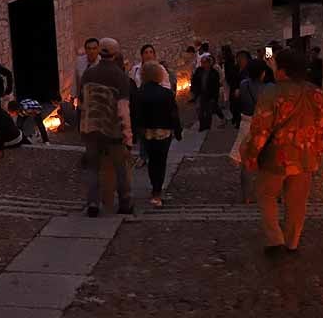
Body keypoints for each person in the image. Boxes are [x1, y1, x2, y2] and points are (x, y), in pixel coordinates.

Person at [242, 49, 323, 256]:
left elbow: (260, 130)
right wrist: (313, 150)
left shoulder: (272, 93)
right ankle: (292, 242)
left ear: (282, 70)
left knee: (266, 195)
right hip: (305, 159)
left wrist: (251, 155)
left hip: (275, 158)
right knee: (297, 202)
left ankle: (275, 240)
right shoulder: (317, 93)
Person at [79, 37, 134, 217]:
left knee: (93, 167)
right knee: (120, 168)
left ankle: (93, 204)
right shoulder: (120, 77)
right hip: (113, 130)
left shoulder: (88, 74)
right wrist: (128, 136)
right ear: (115, 53)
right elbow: (123, 109)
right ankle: (125, 203)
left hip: (91, 128)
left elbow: (82, 101)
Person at [135, 61, 183, 207]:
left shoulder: (139, 93)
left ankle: (154, 186)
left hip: (147, 131)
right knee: (161, 161)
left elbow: (137, 113)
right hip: (164, 131)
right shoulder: (167, 93)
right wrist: (178, 131)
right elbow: (173, 114)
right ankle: (157, 190)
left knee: (151, 160)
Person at [230, 58, 270, 203]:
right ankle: (269, 194)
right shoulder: (269, 88)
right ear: (263, 73)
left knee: (245, 163)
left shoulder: (243, 84)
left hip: (246, 124)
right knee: (267, 162)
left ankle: (246, 196)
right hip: (263, 125)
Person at [190, 53, 221, 131]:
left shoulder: (214, 73)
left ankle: (207, 125)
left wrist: (215, 97)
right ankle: (202, 125)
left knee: (208, 111)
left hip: (210, 95)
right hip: (200, 94)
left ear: (208, 63)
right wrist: (194, 91)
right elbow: (194, 81)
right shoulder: (199, 71)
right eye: (202, 62)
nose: (203, 64)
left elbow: (216, 86)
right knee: (200, 110)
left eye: (204, 62)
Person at [73, 37, 101, 106]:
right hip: (82, 101)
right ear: (85, 50)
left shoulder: (102, 64)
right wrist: (74, 97)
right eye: (89, 48)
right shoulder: (79, 61)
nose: (91, 51)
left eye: (94, 48)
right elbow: (76, 80)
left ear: (98, 49)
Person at [221, 45, 241, 128]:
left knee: (234, 103)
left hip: (234, 83)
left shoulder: (230, 61)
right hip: (233, 83)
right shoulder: (230, 60)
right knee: (233, 103)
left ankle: (237, 120)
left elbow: (231, 73)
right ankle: (235, 118)